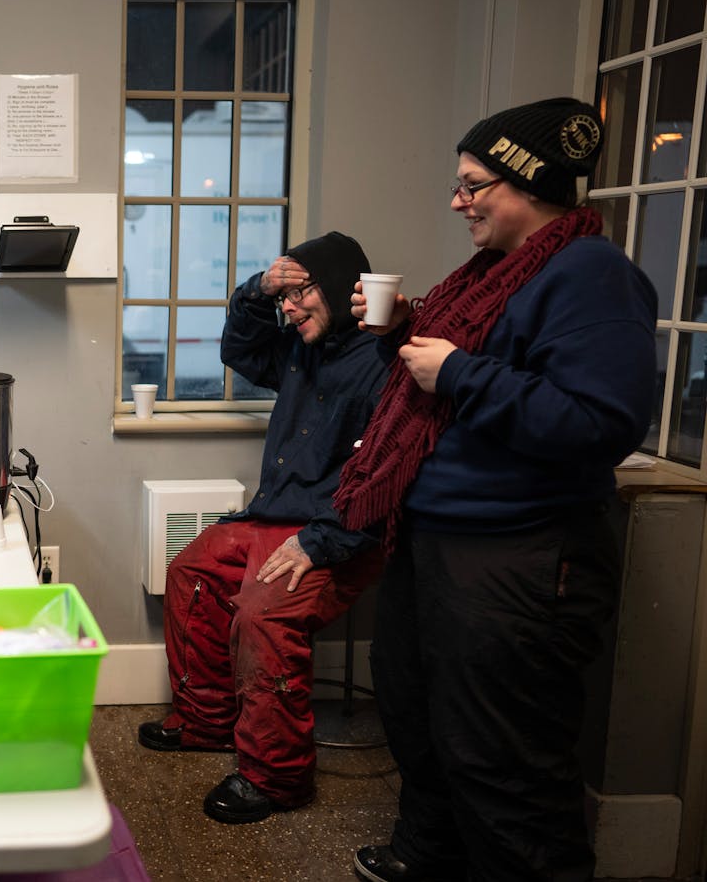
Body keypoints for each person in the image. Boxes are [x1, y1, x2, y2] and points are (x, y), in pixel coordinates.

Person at [336, 98, 656, 882]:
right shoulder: (489, 278)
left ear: (529, 182)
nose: (457, 200)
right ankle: (429, 852)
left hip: (521, 558)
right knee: (417, 718)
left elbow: (598, 420)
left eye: (473, 183)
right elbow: (453, 389)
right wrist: (406, 334)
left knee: (504, 763)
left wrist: (458, 369)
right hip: (440, 540)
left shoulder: (593, 275)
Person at [137, 232, 392, 824]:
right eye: (285, 298)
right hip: (273, 519)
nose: (289, 308)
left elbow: (382, 483)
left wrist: (318, 542)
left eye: (300, 293)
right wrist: (258, 289)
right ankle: (207, 723)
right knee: (191, 571)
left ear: (338, 289)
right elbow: (241, 349)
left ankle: (277, 778)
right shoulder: (304, 347)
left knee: (263, 613)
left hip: (337, 535)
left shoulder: (385, 363)